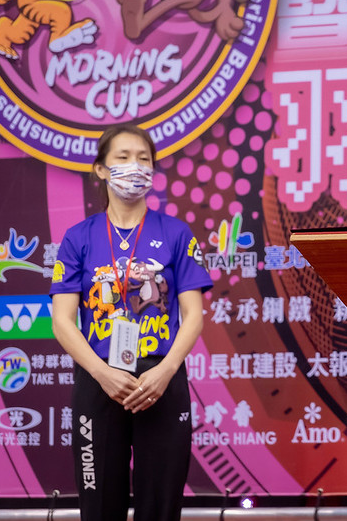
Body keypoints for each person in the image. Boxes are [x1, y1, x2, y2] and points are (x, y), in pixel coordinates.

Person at [50, 124, 212, 521]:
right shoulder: (78, 237)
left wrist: (165, 372)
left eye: (144, 159)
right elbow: (62, 321)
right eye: (122, 158)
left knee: (161, 507)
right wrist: (102, 374)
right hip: (99, 378)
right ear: (101, 169)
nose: (134, 167)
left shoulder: (176, 233)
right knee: (100, 505)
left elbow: (193, 315)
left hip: (160, 379)